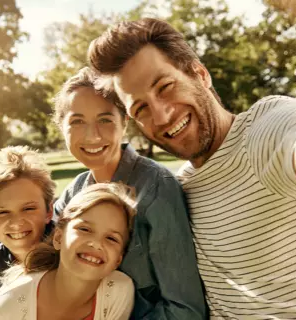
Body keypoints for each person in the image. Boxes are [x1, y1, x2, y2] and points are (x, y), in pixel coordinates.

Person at [87, 18, 296, 319]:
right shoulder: (177, 190)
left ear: (200, 75)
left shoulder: (266, 131)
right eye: (141, 109)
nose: (161, 116)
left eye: (165, 87)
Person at [52, 67, 207, 319]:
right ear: (62, 127)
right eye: (77, 121)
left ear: (124, 121)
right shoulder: (72, 194)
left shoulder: (156, 187)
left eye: (105, 120)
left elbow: (185, 311)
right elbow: (43, 267)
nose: (92, 135)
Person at [0, 183, 136, 320]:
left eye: (111, 238)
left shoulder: (119, 290)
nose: (97, 243)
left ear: (118, 259)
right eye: (84, 229)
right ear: (59, 238)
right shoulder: (11, 301)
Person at [0, 146, 56, 320]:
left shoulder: (68, 250)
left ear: (49, 211)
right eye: (2, 212)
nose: (16, 222)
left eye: (28, 208)